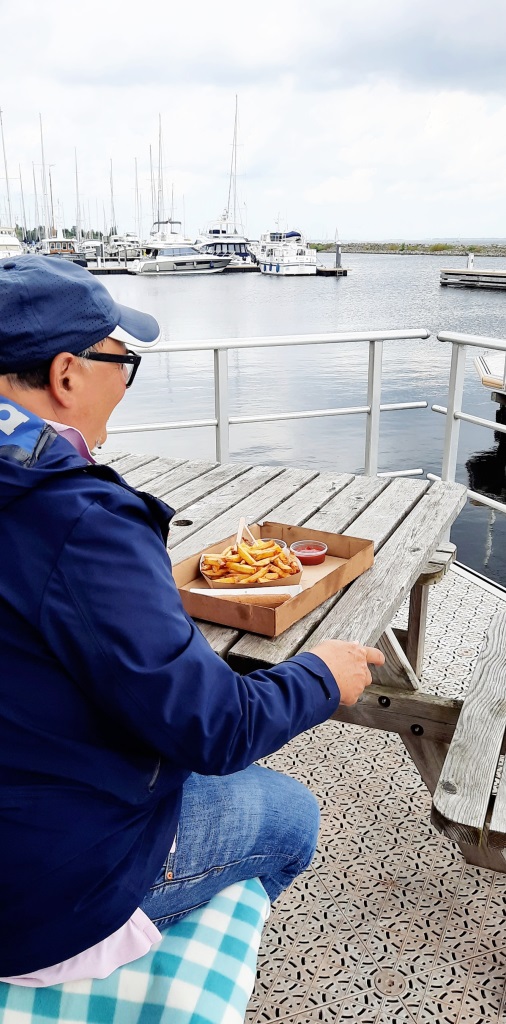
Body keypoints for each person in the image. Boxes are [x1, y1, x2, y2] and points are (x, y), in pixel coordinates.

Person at [0, 255, 384, 983]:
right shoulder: (75, 517)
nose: (124, 379)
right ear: (66, 375)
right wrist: (321, 678)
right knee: (288, 811)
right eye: (123, 360)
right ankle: (157, 972)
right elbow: (216, 729)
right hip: (37, 899)